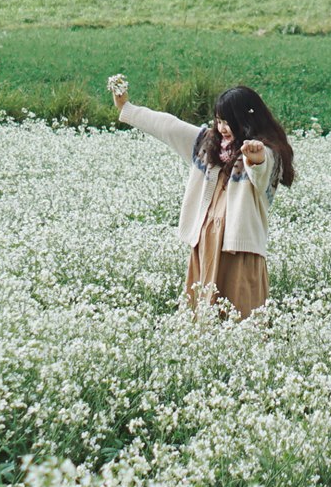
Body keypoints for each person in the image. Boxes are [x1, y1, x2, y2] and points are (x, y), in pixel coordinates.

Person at [112, 77, 296, 319]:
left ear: (248, 121)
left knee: (239, 315)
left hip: (238, 249)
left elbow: (262, 173)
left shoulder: (266, 152)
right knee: (202, 315)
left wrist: (256, 158)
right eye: (219, 121)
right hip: (204, 243)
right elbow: (169, 126)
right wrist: (127, 108)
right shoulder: (207, 143)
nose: (222, 128)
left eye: (229, 122)